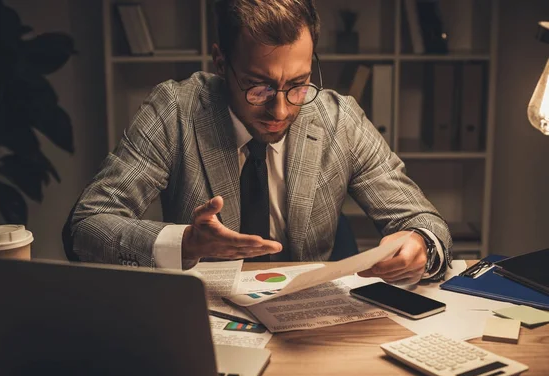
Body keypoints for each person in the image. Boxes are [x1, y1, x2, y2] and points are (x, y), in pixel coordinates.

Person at [63, 0, 452, 284]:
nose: (280, 109)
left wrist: (422, 245)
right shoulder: (175, 110)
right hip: (204, 320)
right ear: (220, 63)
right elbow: (85, 228)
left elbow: (424, 220)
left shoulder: (339, 120)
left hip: (311, 327)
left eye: (298, 85)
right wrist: (186, 242)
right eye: (258, 86)